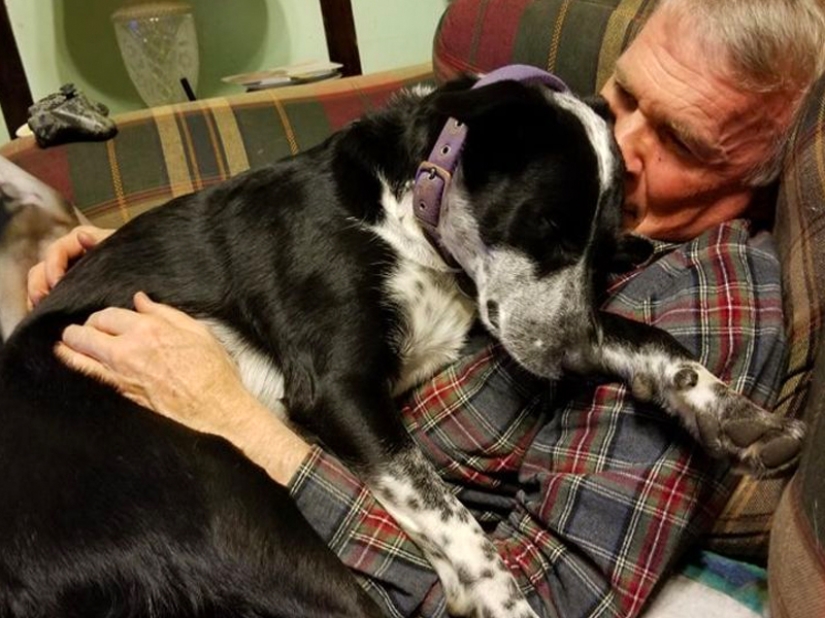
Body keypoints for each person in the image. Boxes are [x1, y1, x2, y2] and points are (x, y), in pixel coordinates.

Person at [27, 1, 825, 616]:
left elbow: (555, 598)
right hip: (111, 438)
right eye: (619, 95)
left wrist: (235, 420)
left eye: (679, 142)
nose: (616, 143)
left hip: (278, 497)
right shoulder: (546, 147)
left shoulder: (708, 297)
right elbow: (301, 239)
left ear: (756, 175)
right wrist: (135, 260)